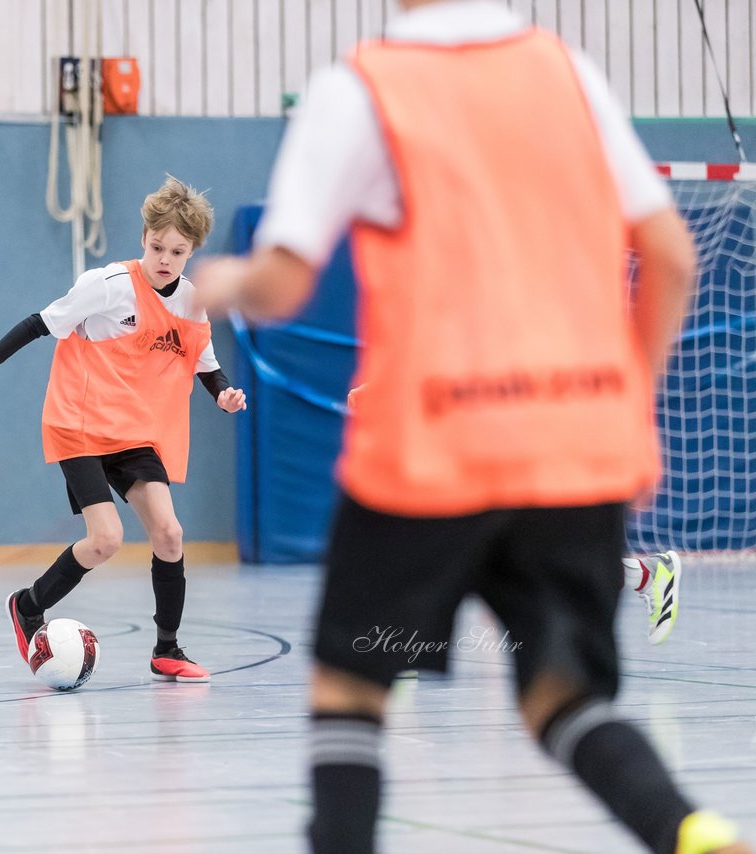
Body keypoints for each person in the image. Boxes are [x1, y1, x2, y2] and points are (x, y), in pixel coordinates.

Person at [194, 1, 746, 852]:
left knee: (352, 688)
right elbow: (670, 253)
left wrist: (226, 282)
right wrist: (626, 397)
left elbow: (285, 285)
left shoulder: (363, 89)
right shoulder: (567, 72)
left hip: (437, 449)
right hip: (576, 442)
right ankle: (685, 829)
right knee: (565, 699)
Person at [0, 176, 247, 683]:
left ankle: (167, 650)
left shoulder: (193, 302)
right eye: (157, 247)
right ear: (144, 238)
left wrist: (222, 392)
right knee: (105, 539)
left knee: (169, 534)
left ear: (192, 251)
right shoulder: (108, 286)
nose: (165, 259)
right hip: (79, 423)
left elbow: (206, 364)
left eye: (177, 251)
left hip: (135, 431)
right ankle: (27, 605)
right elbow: (39, 323)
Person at [351, 384, 684, 646]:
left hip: (515, 433)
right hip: (482, 436)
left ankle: (648, 574)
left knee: (528, 558)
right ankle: (647, 574)